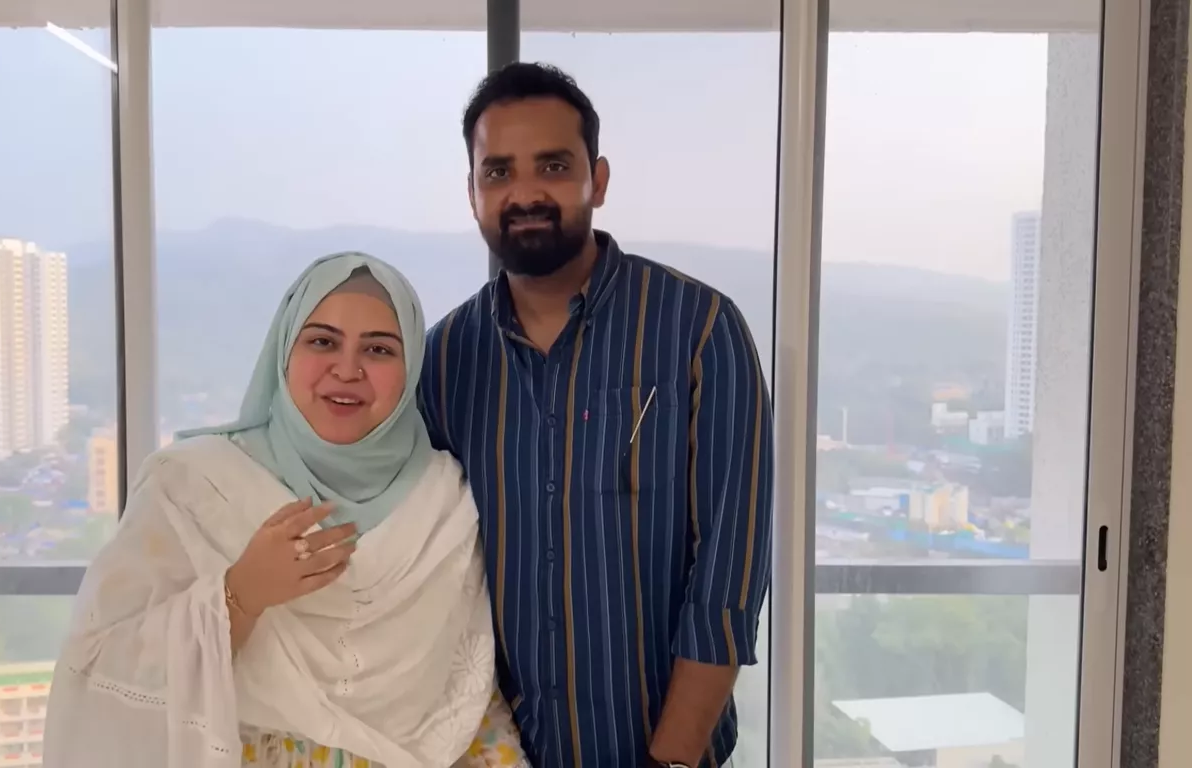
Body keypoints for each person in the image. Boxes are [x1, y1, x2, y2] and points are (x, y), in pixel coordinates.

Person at [418, 63, 774, 768]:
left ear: (598, 180)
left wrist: (672, 760)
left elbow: (727, 579)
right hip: (492, 754)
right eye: (498, 171)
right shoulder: (446, 358)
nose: (525, 194)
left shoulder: (699, 330)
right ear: (473, 193)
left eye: (553, 166)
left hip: (662, 753)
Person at [45, 253, 528, 768]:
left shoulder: (444, 500)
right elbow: (101, 663)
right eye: (322, 342)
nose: (348, 369)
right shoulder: (193, 486)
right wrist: (240, 594)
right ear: (283, 351)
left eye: (379, 349)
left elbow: (468, 697)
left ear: (410, 371)